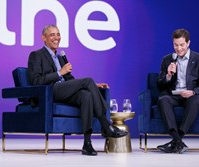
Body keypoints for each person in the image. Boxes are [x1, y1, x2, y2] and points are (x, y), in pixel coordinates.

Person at [27, 24, 128, 156]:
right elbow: (36, 81)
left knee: (86, 95)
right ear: (43, 38)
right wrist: (59, 73)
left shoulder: (60, 58)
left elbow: (71, 80)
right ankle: (106, 124)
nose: (56, 37)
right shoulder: (36, 55)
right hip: (49, 92)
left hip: (64, 91)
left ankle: (87, 143)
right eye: (52, 35)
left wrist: (93, 86)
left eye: (58, 34)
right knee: (87, 81)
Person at [156, 29, 199, 154]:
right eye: (176, 45)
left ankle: (176, 141)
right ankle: (178, 141)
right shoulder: (167, 59)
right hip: (174, 95)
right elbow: (160, 85)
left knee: (195, 100)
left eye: (181, 45)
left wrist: (193, 91)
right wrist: (168, 75)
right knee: (163, 99)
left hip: (192, 95)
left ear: (188, 43)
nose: (178, 48)